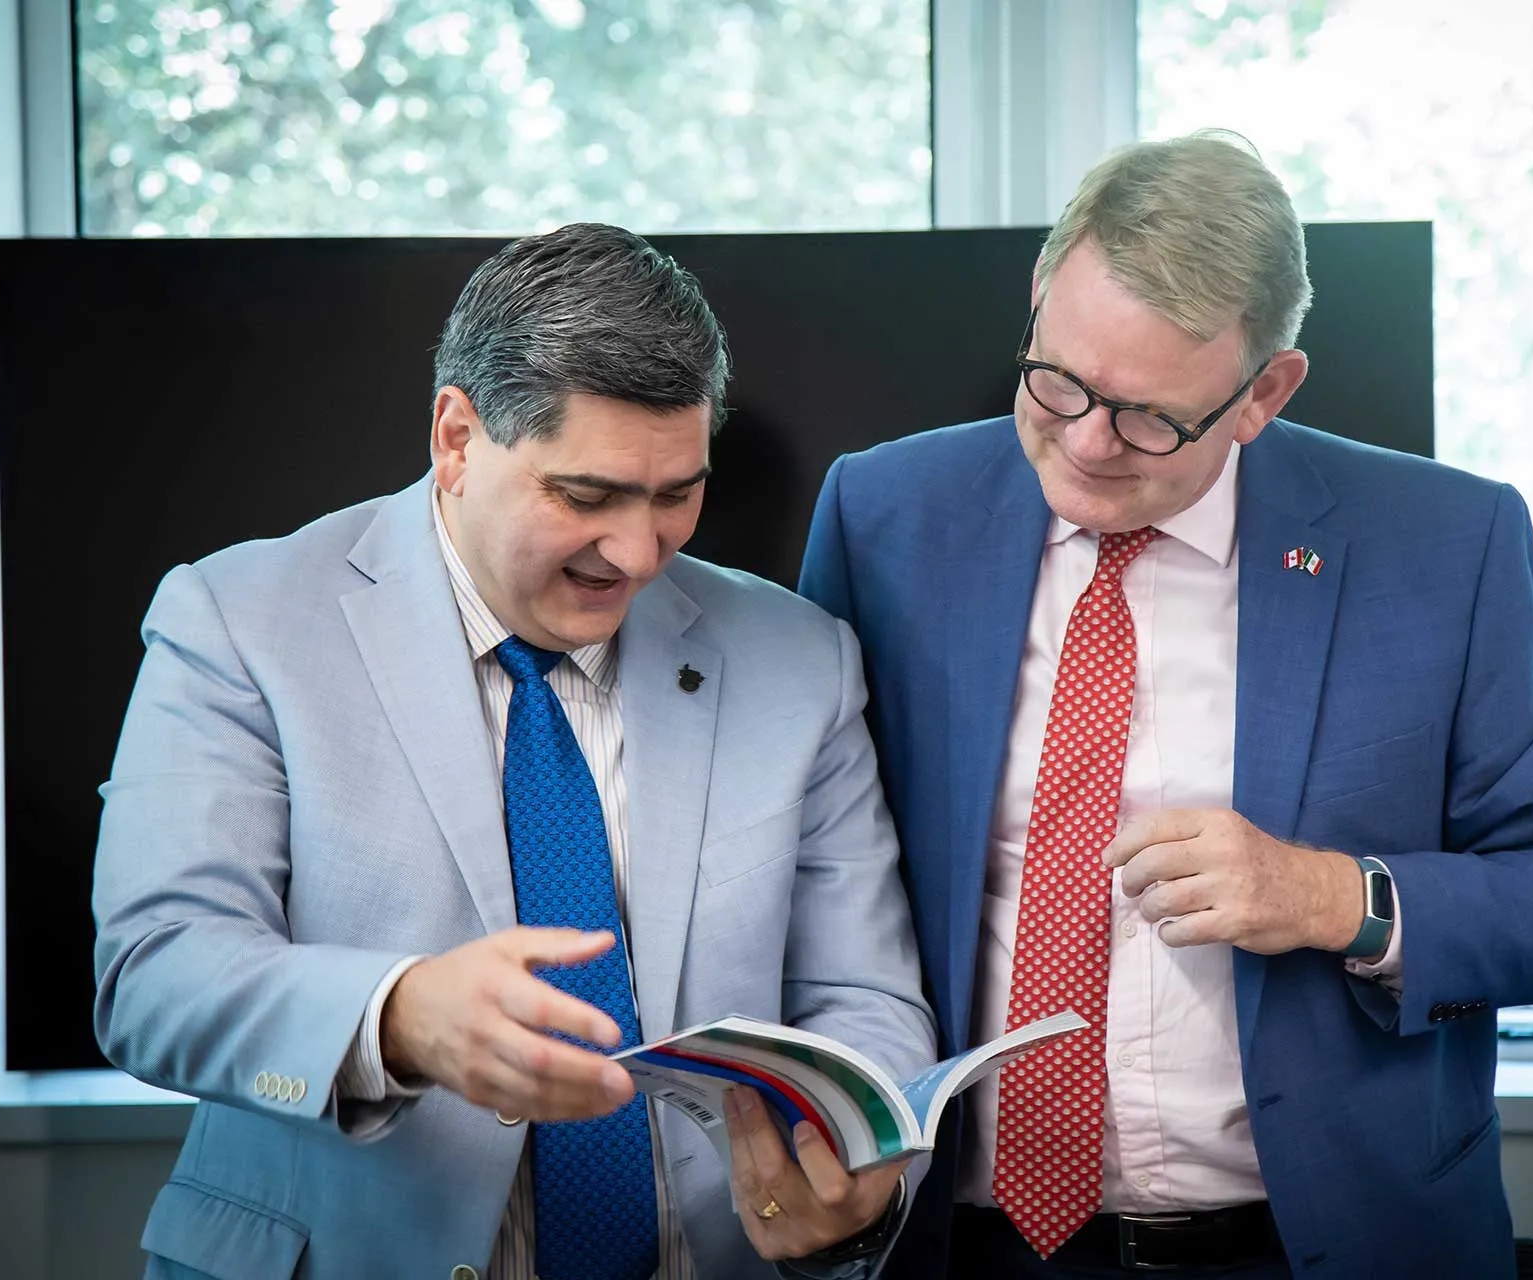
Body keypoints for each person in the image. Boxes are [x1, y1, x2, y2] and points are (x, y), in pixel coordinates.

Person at [798, 131, 1533, 1279]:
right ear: (1040, 297)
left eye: (1150, 416)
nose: (1087, 443)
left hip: (1313, 1245)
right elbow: (816, 863)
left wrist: (1333, 894)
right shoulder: (885, 514)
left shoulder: (1446, 545)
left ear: (1264, 392)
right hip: (962, 1242)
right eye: (1060, 381)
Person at [92, 222, 935, 1280]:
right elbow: (156, 972)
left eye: (677, 493)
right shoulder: (240, 619)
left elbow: (866, 998)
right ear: (457, 438)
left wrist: (855, 1169)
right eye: (585, 496)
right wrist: (398, 1018)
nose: (636, 554)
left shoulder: (800, 660)